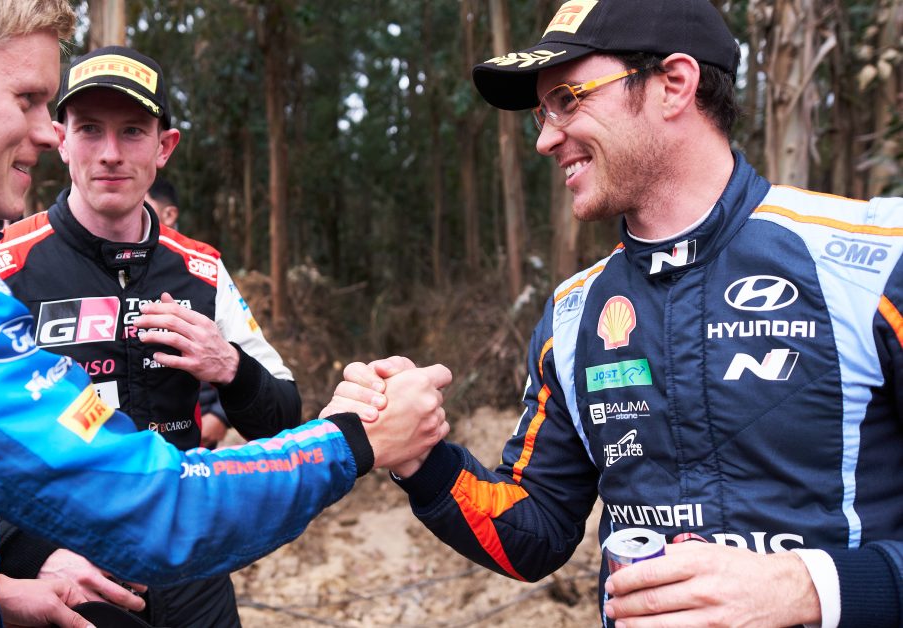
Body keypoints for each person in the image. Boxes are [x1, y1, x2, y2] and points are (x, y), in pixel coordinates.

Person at [0, 1, 453, 625]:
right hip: (116, 546)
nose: (49, 133)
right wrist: (355, 439)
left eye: (130, 131)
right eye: (32, 102)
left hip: (163, 584)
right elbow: (149, 505)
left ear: (164, 147)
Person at [333, 1, 903, 626]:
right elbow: (536, 530)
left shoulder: (874, 264)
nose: (546, 139)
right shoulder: (574, 313)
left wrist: (810, 588)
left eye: (567, 99)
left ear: (674, 85)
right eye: (541, 113)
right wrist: (420, 456)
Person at [0, 47, 302, 627]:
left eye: (132, 131)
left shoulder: (202, 270)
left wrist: (230, 367)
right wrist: (30, 553)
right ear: (61, 139)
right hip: (68, 583)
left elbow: (283, 419)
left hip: (193, 573)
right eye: (90, 129)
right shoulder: (1, 269)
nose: (110, 153)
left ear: (164, 147)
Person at [146, 175, 235, 450]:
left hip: (195, 436)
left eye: (143, 203)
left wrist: (219, 415)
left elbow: (235, 351)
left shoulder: (200, 267)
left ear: (169, 214)